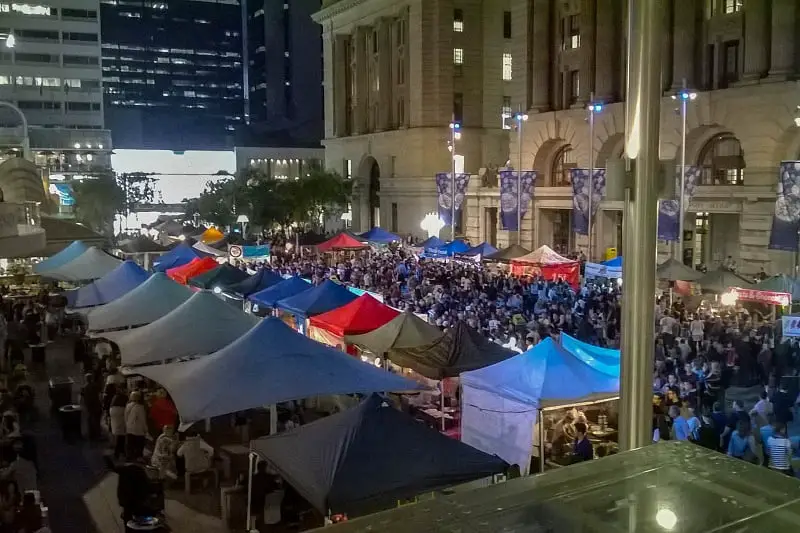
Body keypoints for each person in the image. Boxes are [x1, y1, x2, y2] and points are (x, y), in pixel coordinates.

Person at [116, 457, 150, 523]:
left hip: (127, 503)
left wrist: (122, 503)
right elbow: (146, 488)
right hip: (138, 502)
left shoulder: (124, 471)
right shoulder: (140, 471)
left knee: (128, 521)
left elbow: (121, 490)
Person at [124, 391, 148, 460]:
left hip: (129, 428)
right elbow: (142, 419)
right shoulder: (140, 407)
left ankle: (129, 457)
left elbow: (125, 417)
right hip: (138, 429)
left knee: (130, 444)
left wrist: (127, 425)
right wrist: (145, 429)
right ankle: (138, 457)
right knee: (139, 444)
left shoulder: (128, 405)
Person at [81, 373, 103, 441]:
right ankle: (98, 434)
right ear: (91, 378)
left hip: (89, 406)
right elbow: (100, 392)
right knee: (97, 420)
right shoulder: (95, 385)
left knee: (90, 420)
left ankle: (92, 435)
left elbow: (82, 398)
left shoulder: (84, 387)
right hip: (96, 405)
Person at [109, 391, 128, 460]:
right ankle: (119, 453)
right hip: (122, 426)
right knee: (121, 438)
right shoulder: (122, 409)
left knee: (118, 438)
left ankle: (118, 453)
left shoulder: (112, 408)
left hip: (115, 426)